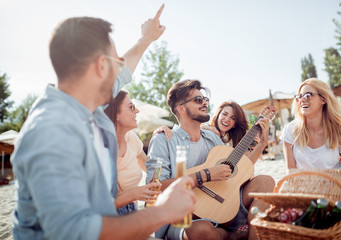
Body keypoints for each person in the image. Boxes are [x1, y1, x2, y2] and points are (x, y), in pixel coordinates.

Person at [11, 6, 196, 240]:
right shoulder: (50, 132)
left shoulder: (90, 107)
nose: (121, 64)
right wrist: (163, 212)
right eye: (115, 59)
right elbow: (77, 231)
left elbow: (124, 71)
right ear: (100, 66)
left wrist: (145, 39)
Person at [146, 80, 275, 240]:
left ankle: (252, 233)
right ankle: (235, 235)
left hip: (222, 205)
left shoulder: (213, 136)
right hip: (183, 215)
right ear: (181, 108)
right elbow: (155, 189)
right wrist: (205, 175)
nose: (205, 103)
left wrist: (262, 144)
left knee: (265, 181)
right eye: (198, 100)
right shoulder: (163, 140)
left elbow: (237, 168)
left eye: (205, 99)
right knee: (202, 231)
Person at [280, 78, 341, 170]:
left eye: (307, 95)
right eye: (299, 96)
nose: (302, 100)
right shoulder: (290, 130)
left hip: (334, 183)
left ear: (323, 99)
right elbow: (290, 173)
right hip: (301, 184)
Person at [154, 100, 267, 163]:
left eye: (233, 118)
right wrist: (166, 129)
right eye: (225, 114)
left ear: (234, 124)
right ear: (218, 115)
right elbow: (185, 132)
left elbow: (242, 166)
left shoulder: (228, 141)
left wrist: (251, 148)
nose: (227, 119)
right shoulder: (204, 130)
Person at [104, 90, 161, 214]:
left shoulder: (132, 139)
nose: (137, 111)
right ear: (115, 114)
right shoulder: (101, 150)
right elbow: (97, 207)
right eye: (131, 107)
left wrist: (160, 135)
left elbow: (152, 170)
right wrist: (132, 194)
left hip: (132, 212)